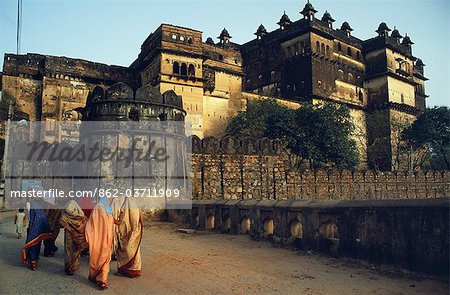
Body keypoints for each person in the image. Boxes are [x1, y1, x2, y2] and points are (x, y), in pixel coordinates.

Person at [85, 197, 123, 290]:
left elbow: (89, 225)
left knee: (96, 259)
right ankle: (102, 281)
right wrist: (121, 216)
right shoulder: (108, 211)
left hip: (97, 242)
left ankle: (94, 276)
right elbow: (118, 222)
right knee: (105, 260)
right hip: (107, 241)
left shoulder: (96, 209)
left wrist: (89, 238)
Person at [21, 198, 52, 271]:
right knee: (37, 244)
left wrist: (31, 228)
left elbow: (31, 218)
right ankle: (34, 261)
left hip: (34, 228)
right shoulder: (40, 207)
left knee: (31, 244)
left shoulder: (31, 205)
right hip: (40, 229)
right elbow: (43, 218)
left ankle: (32, 261)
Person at [115, 197, 142, 278]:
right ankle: (135, 270)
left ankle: (125, 271)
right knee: (135, 252)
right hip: (136, 233)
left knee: (126, 252)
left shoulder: (127, 209)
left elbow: (123, 222)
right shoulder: (136, 209)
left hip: (128, 234)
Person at [59, 201, 88, 275]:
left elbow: (61, 223)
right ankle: (73, 266)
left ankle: (69, 267)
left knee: (68, 249)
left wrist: (69, 227)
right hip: (77, 236)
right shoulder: (81, 217)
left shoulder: (65, 215)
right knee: (75, 249)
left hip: (68, 234)